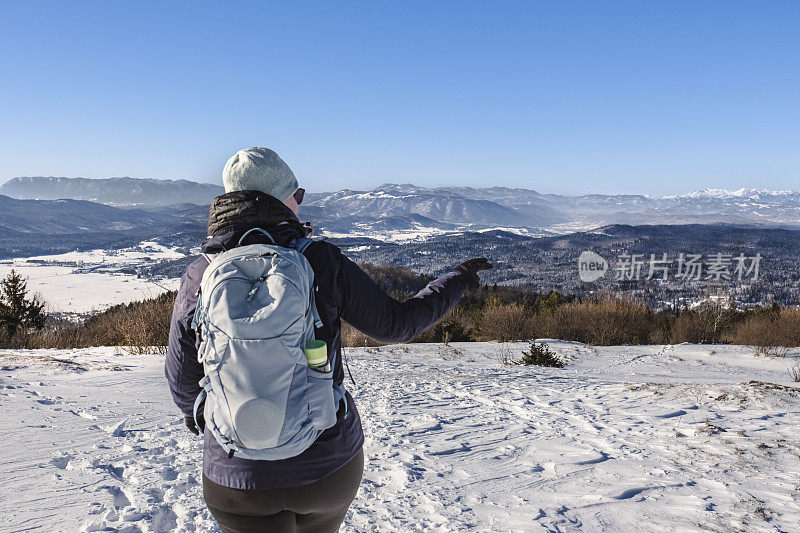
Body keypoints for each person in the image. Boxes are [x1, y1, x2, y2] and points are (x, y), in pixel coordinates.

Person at [165, 147, 492, 533]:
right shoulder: (321, 260)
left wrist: (211, 418)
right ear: (282, 200)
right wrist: (459, 279)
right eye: (298, 195)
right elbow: (398, 325)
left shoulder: (200, 275)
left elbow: (183, 382)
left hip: (236, 476)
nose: (300, 204)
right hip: (325, 466)